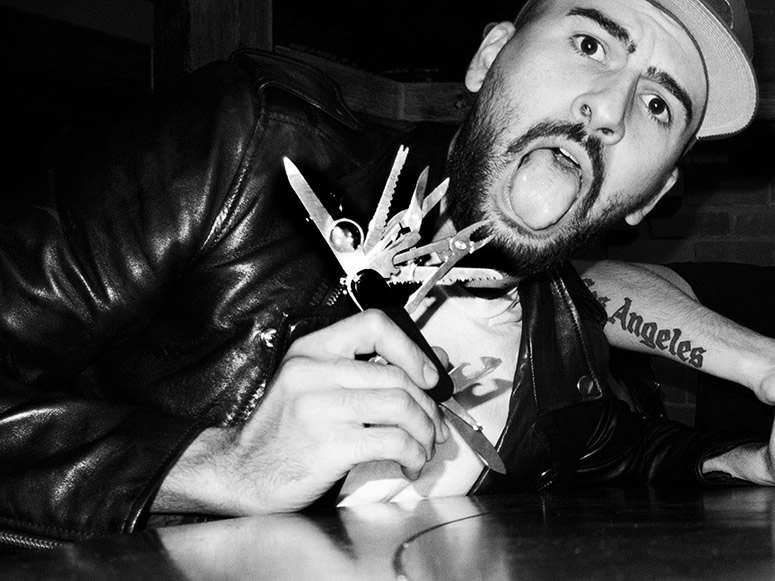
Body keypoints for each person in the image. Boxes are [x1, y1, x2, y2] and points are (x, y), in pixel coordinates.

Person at [0, 0, 769, 546]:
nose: (610, 109)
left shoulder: (559, 341)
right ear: (489, 57)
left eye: (659, 106)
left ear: (653, 196)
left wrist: (739, 459)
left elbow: (615, 448)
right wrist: (214, 465)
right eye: (591, 45)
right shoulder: (251, 144)